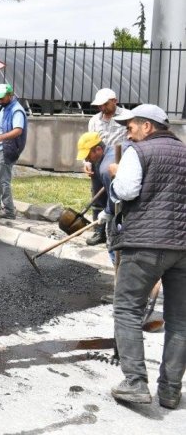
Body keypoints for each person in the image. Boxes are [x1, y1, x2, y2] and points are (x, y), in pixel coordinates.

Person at [107, 104, 186, 408]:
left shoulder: (138, 153)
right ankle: (169, 390)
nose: (129, 132)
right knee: (179, 320)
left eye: (131, 127)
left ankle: (136, 382)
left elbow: (126, 191)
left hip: (145, 245)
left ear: (148, 127)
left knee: (127, 309)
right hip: (183, 247)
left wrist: (115, 175)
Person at [83, 88, 128, 244]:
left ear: (115, 101)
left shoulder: (126, 117)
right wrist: (87, 162)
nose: (102, 108)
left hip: (118, 164)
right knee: (97, 197)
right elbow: (89, 143)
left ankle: (117, 232)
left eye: (105, 104)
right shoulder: (94, 120)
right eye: (99, 105)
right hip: (97, 163)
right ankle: (99, 232)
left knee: (115, 196)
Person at [75, 132, 117, 284]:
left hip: (122, 211)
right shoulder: (108, 154)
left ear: (98, 149)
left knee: (114, 245)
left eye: (87, 155)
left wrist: (107, 211)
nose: (86, 159)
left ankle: (122, 289)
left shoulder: (106, 168)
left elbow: (115, 196)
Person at [0, 83, 27, 219]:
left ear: (10, 96)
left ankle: (9, 211)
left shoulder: (17, 110)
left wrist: (0, 138)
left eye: (2, 98)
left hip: (8, 149)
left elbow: (18, 130)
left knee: (3, 181)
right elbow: (0, 127)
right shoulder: (2, 108)